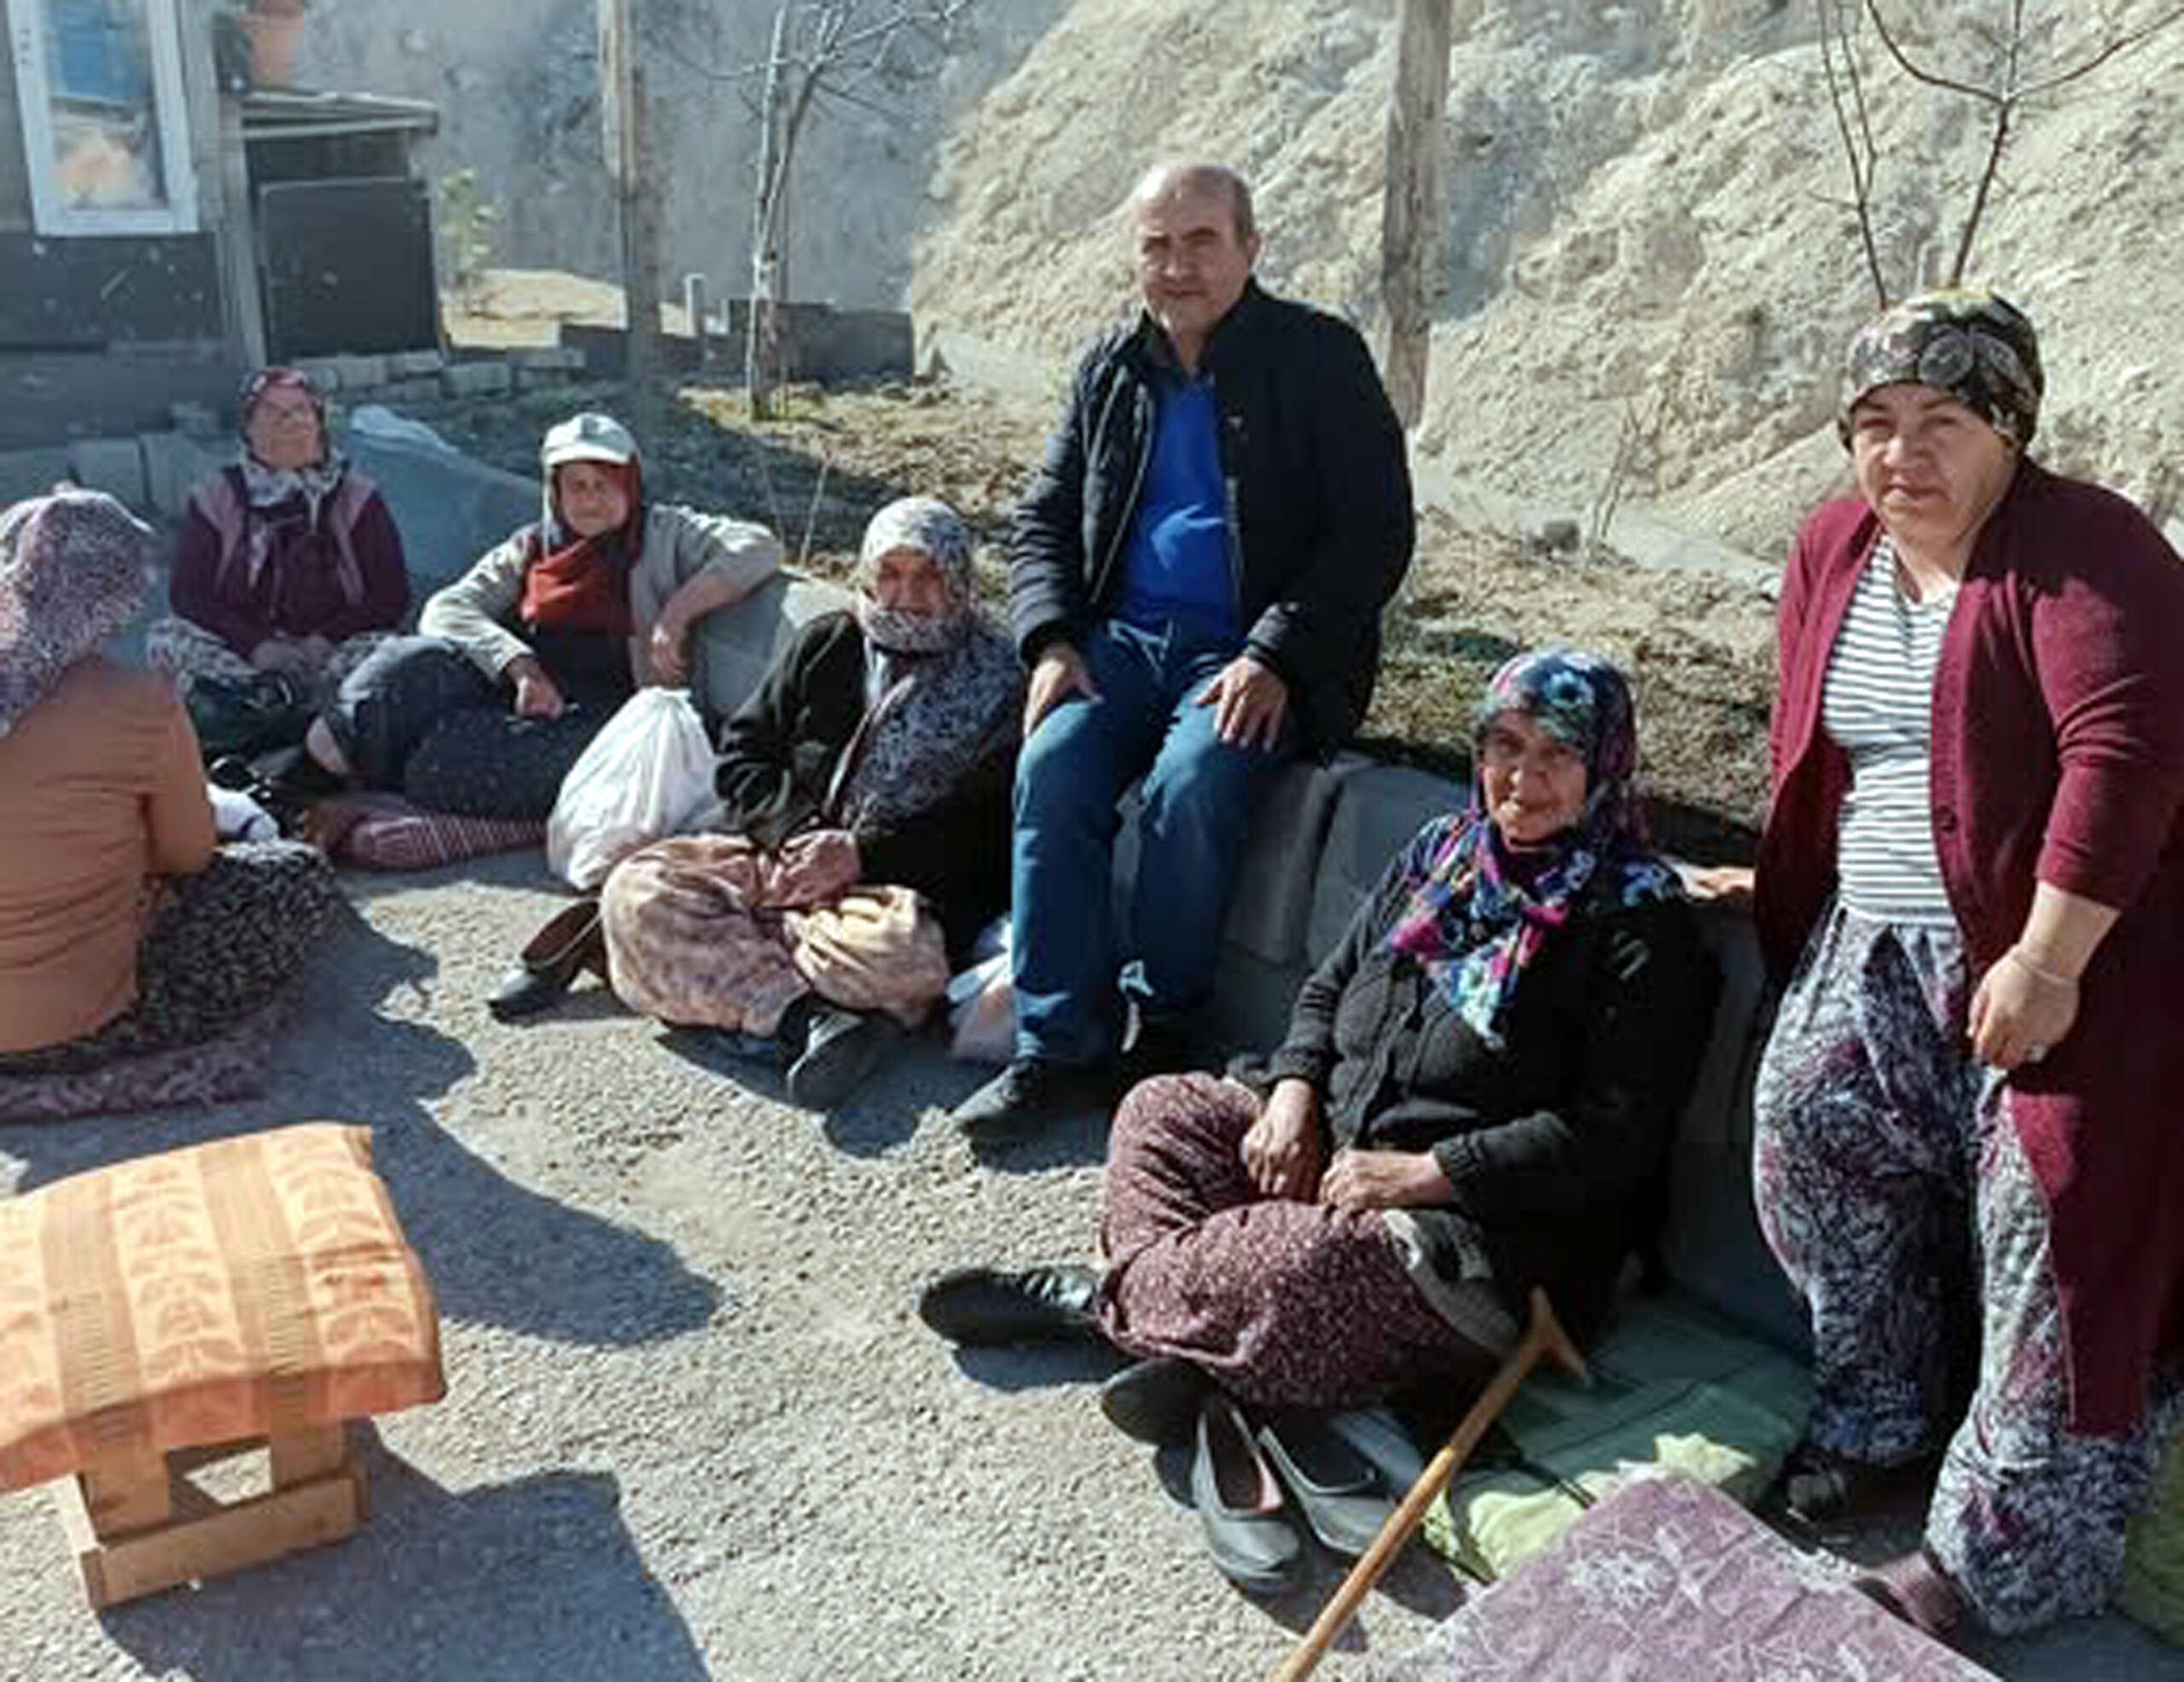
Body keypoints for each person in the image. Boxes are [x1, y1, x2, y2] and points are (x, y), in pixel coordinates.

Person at [921, 650, 1716, 1447]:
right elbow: (1330, 986)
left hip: (1474, 1236)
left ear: (1604, 764)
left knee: (1299, 1264)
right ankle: (1203, 1345)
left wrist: (1429, 1173)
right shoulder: (1447, 854)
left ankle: (1100, 1303)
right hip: (1336, 1152)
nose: (1521, 777)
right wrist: (1296, 1090)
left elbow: (1614, 1137)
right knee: (1161, 1109)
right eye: (1504, 745)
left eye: (1557, 754)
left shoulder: (1640, 925)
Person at [1740, 288, 2184, 1638]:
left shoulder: (2088, 547)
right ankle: (1883, 1413)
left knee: (2050, 1226)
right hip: (1873, 945)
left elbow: (2126, 756)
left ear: (2010, 425)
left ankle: (2002, 1552)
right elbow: (1823, 749)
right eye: (1874, 423)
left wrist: (2047, 961)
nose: (1901, 454)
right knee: (1804, 1135)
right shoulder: (1833, 548)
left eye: (1941, 420)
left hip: (2065, 959)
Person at [948, 160, 1415, 1138]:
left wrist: (1277, 652)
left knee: (1190, 786)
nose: (1177, 266)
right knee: (1052, 769)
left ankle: (1159, 1025)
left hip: (1249, 654)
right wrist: (1047, 638)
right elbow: (1041, 513)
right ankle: (1054, 1045)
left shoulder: (1318, 358)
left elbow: (1374, 530)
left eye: (1201, 240)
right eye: (1156, 244)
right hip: (1119, 645)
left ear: (1250, 248)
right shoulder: (1110, 365)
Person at [585, 498, 1020, 1106]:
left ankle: (718, 984)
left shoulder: (998, 678)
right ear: (867, 575)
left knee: (901, 956)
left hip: (890, 893)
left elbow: (988, 826)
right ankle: (809, 1021)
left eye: (927, 576)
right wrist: (798, 830)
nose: (905, 595)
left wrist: (859, 855)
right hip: (784, 857)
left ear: (959, 581)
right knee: (635, 889)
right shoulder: (830, 642)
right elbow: (744, 754)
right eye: (889, 574)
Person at [0, 488, 340, 1081]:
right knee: (296, 874)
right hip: (68, 1021)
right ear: (118, 594)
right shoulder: (141, 701)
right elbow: (189, 855)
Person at [306, 410, 780, 821]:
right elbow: (448, 608)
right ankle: (303, 782)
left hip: (607, 716)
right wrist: (521, 668)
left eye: (605, 484)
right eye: (577, 486)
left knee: (443, 764)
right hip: (517, 693)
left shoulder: (663, 534)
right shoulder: (534, 545)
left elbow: (759, 546)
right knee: (408, 664)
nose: (591, 500)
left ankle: (387, 778)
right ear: (555, 492)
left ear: (630, 484)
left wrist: (675, 616)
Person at [146, 365, 410, 755]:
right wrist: (258, 646)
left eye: (301, 411)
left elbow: (390, 596)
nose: (289, 424)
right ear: (248, 426)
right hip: (247, 654)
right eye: (272, 413)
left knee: (393, 652)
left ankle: (283, 714)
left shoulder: (358, 497)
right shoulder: (217, 495)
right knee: (165, 638)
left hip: (330, 651)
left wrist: (324, 640)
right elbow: (189, 593)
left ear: (319, 421)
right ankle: (270, 706)